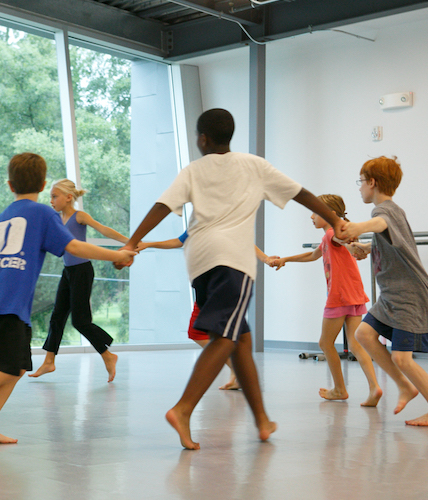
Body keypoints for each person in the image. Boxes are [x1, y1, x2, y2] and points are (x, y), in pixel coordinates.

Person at [120, 108, 346, 449]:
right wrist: (335, 219)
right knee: (226, 336)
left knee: (240, 339)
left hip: (199, 262)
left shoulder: (193, 170)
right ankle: (183, 408)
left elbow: (162, 206)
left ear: (202, 139)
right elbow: (301, 193)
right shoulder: (254, 165)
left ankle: (262, 420)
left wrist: (132, 242)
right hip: (232, 261)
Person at [0, 153, 135, 443]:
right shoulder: (42, 214)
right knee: (8, 368)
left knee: (16, 368)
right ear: (42, 185)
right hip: (9, 304)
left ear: (10, 185)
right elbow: (74, 247)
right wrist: (116, 255)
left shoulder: (2, 218)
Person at [341, 156, 428, 426]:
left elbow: (381, 224)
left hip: (408, 295)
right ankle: (404, 386)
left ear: (372, 182)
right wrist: (366, 248)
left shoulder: (384, 211)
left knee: (402, 358)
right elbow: (391, 241)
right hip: (391, 295)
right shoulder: (393, 212)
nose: (359, 187)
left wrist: (358, 228)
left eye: (361, 181)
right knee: (364, 334)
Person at [274, 194, 381, 406]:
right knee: (355, 344)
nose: (311, 216)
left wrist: (355, 245)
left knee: (325, 342)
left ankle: (340, 389)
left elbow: (342, 241)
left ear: (330, 214)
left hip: (339, 295)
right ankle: (374, 387)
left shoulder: (332, 233)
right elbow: (313, 255)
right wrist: (285, 259)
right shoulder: (328, 237)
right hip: (354, 294)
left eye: (315, 212)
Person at [138, 235, 281, 390]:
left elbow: (243, 241)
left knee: (207, 332)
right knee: (206, 332)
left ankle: (239, 371)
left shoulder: (218, 227)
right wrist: (149, 244)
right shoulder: (198, 226)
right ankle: (238, 371)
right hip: (205, 285)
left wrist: (265, 258)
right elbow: (178, 241)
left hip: (218, 284)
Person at [29, 179, 128, 382]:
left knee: (80, 321)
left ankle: (107, 355)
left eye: (54, 196)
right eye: (50, 197)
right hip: (68, 271)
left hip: (82, 271)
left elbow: (104, 230)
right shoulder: (57, 219)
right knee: (57, 317)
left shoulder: (79, 216)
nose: (51, 200)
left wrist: (130, 242)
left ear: (68, 197)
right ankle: (49, 361)